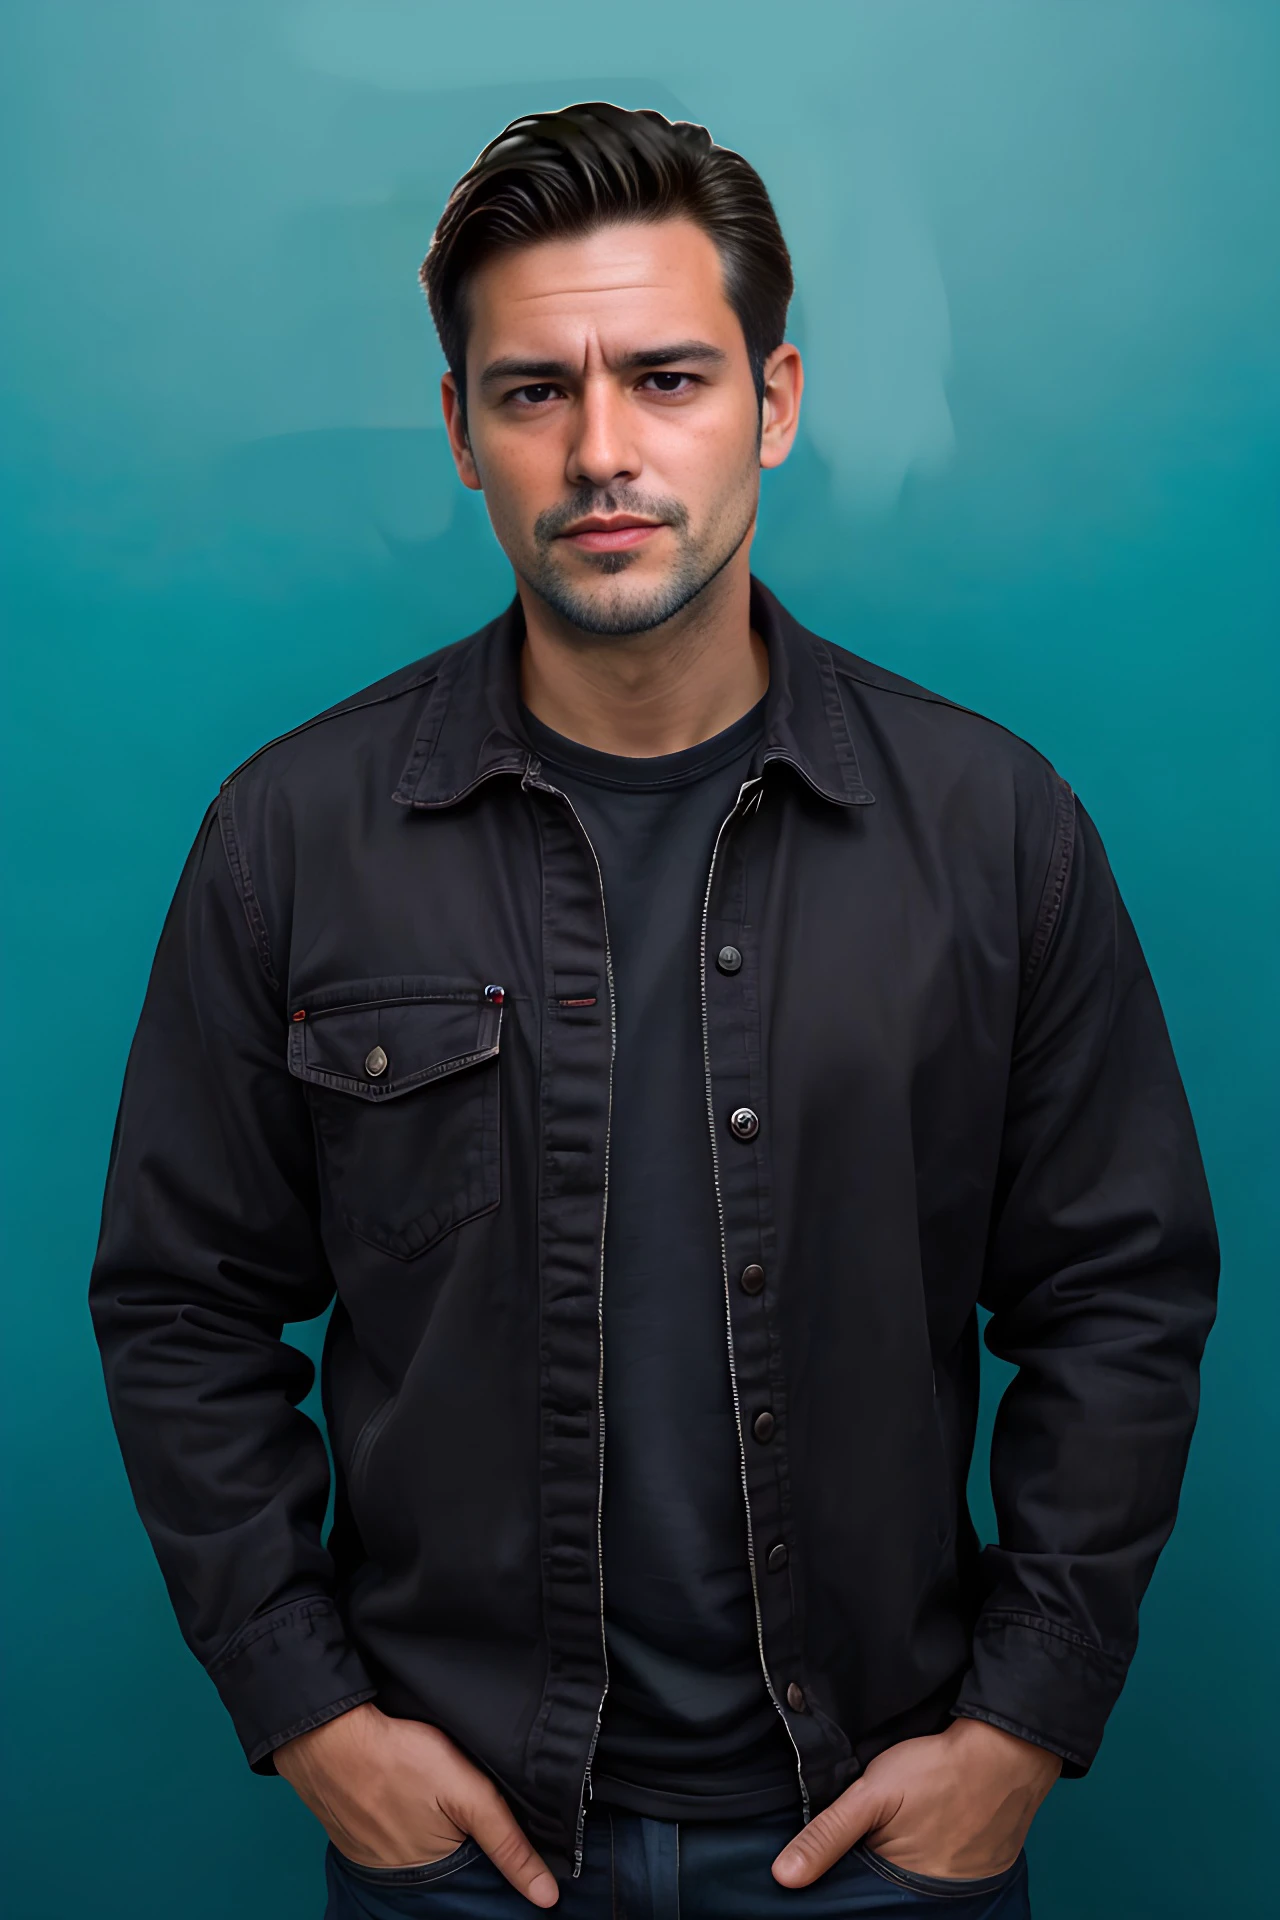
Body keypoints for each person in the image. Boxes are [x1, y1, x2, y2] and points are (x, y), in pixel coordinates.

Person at [89, 104, 1219, 1919]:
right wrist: (307, 1716)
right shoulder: (288, 838)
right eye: (534, 391)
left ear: (772, 402)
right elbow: (178, 1301)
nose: (604, 451)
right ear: (461, 432)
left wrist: (1023, 1723)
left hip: (878, 1835)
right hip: (461, 1850)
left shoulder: (994, 828)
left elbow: (1120, 1289)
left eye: (668, 378)